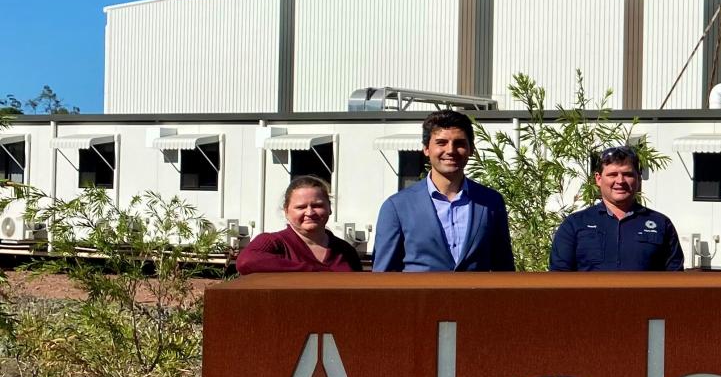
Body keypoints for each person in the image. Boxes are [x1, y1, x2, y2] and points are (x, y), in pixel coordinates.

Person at [372, 109, 516, 272]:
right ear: (426, 149)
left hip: (475, 297)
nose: (451, 150)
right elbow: (383, 276)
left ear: (471, 149)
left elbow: (504, 269)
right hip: (420, 298)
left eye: (459, 143)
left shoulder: (490, 202)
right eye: (441, 143)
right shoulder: (397, 207)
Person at [549, 144, 684, 272]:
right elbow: (559, 278)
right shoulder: (575, 224)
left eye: (628, 174)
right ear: (598, 179)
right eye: (612, 174)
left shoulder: (661, 224)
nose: (620, 181)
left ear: (638, 178)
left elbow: (675, 279)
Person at [236, 175, 364, 273]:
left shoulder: (346, 251)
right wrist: (315, 271)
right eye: (301, 207)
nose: (310, 212)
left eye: (317, 205)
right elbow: (245, 261)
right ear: (286, 211)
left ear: (329, 208)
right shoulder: (273, 242)